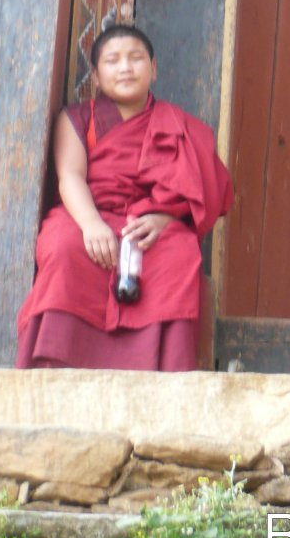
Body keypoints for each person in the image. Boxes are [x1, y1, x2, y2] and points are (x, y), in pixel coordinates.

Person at [17, 24, 233, 371]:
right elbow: (70, 176)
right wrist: (91, 225)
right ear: (97, 75)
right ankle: (55, 361)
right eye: (113, 60)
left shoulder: (180, 125)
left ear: (154, 68)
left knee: (178, 250)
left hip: (148, 221)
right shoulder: (78, 118)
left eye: (136, 58)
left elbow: (203, 191)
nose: (126, 68)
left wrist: (165, 219)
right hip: (88, 212)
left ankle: (161, 369)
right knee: (63, 245)